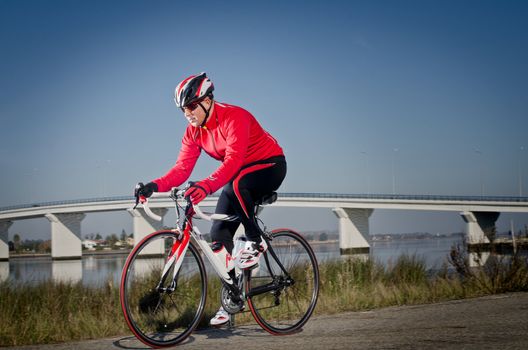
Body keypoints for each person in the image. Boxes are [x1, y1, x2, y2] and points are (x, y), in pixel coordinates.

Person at [134, 72, 286, 326]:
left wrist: (205, 186)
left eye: (192, 106)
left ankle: (255, 241)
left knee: (237, 183)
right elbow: (181, 170)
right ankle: (231, 299)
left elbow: (233, 161)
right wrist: (153, 186)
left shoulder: (234, 117)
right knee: (218, 234)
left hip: (269, 165)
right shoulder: (193, 132)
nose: (188, 113)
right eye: (184, 109)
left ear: (208, 101)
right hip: (239, 176)